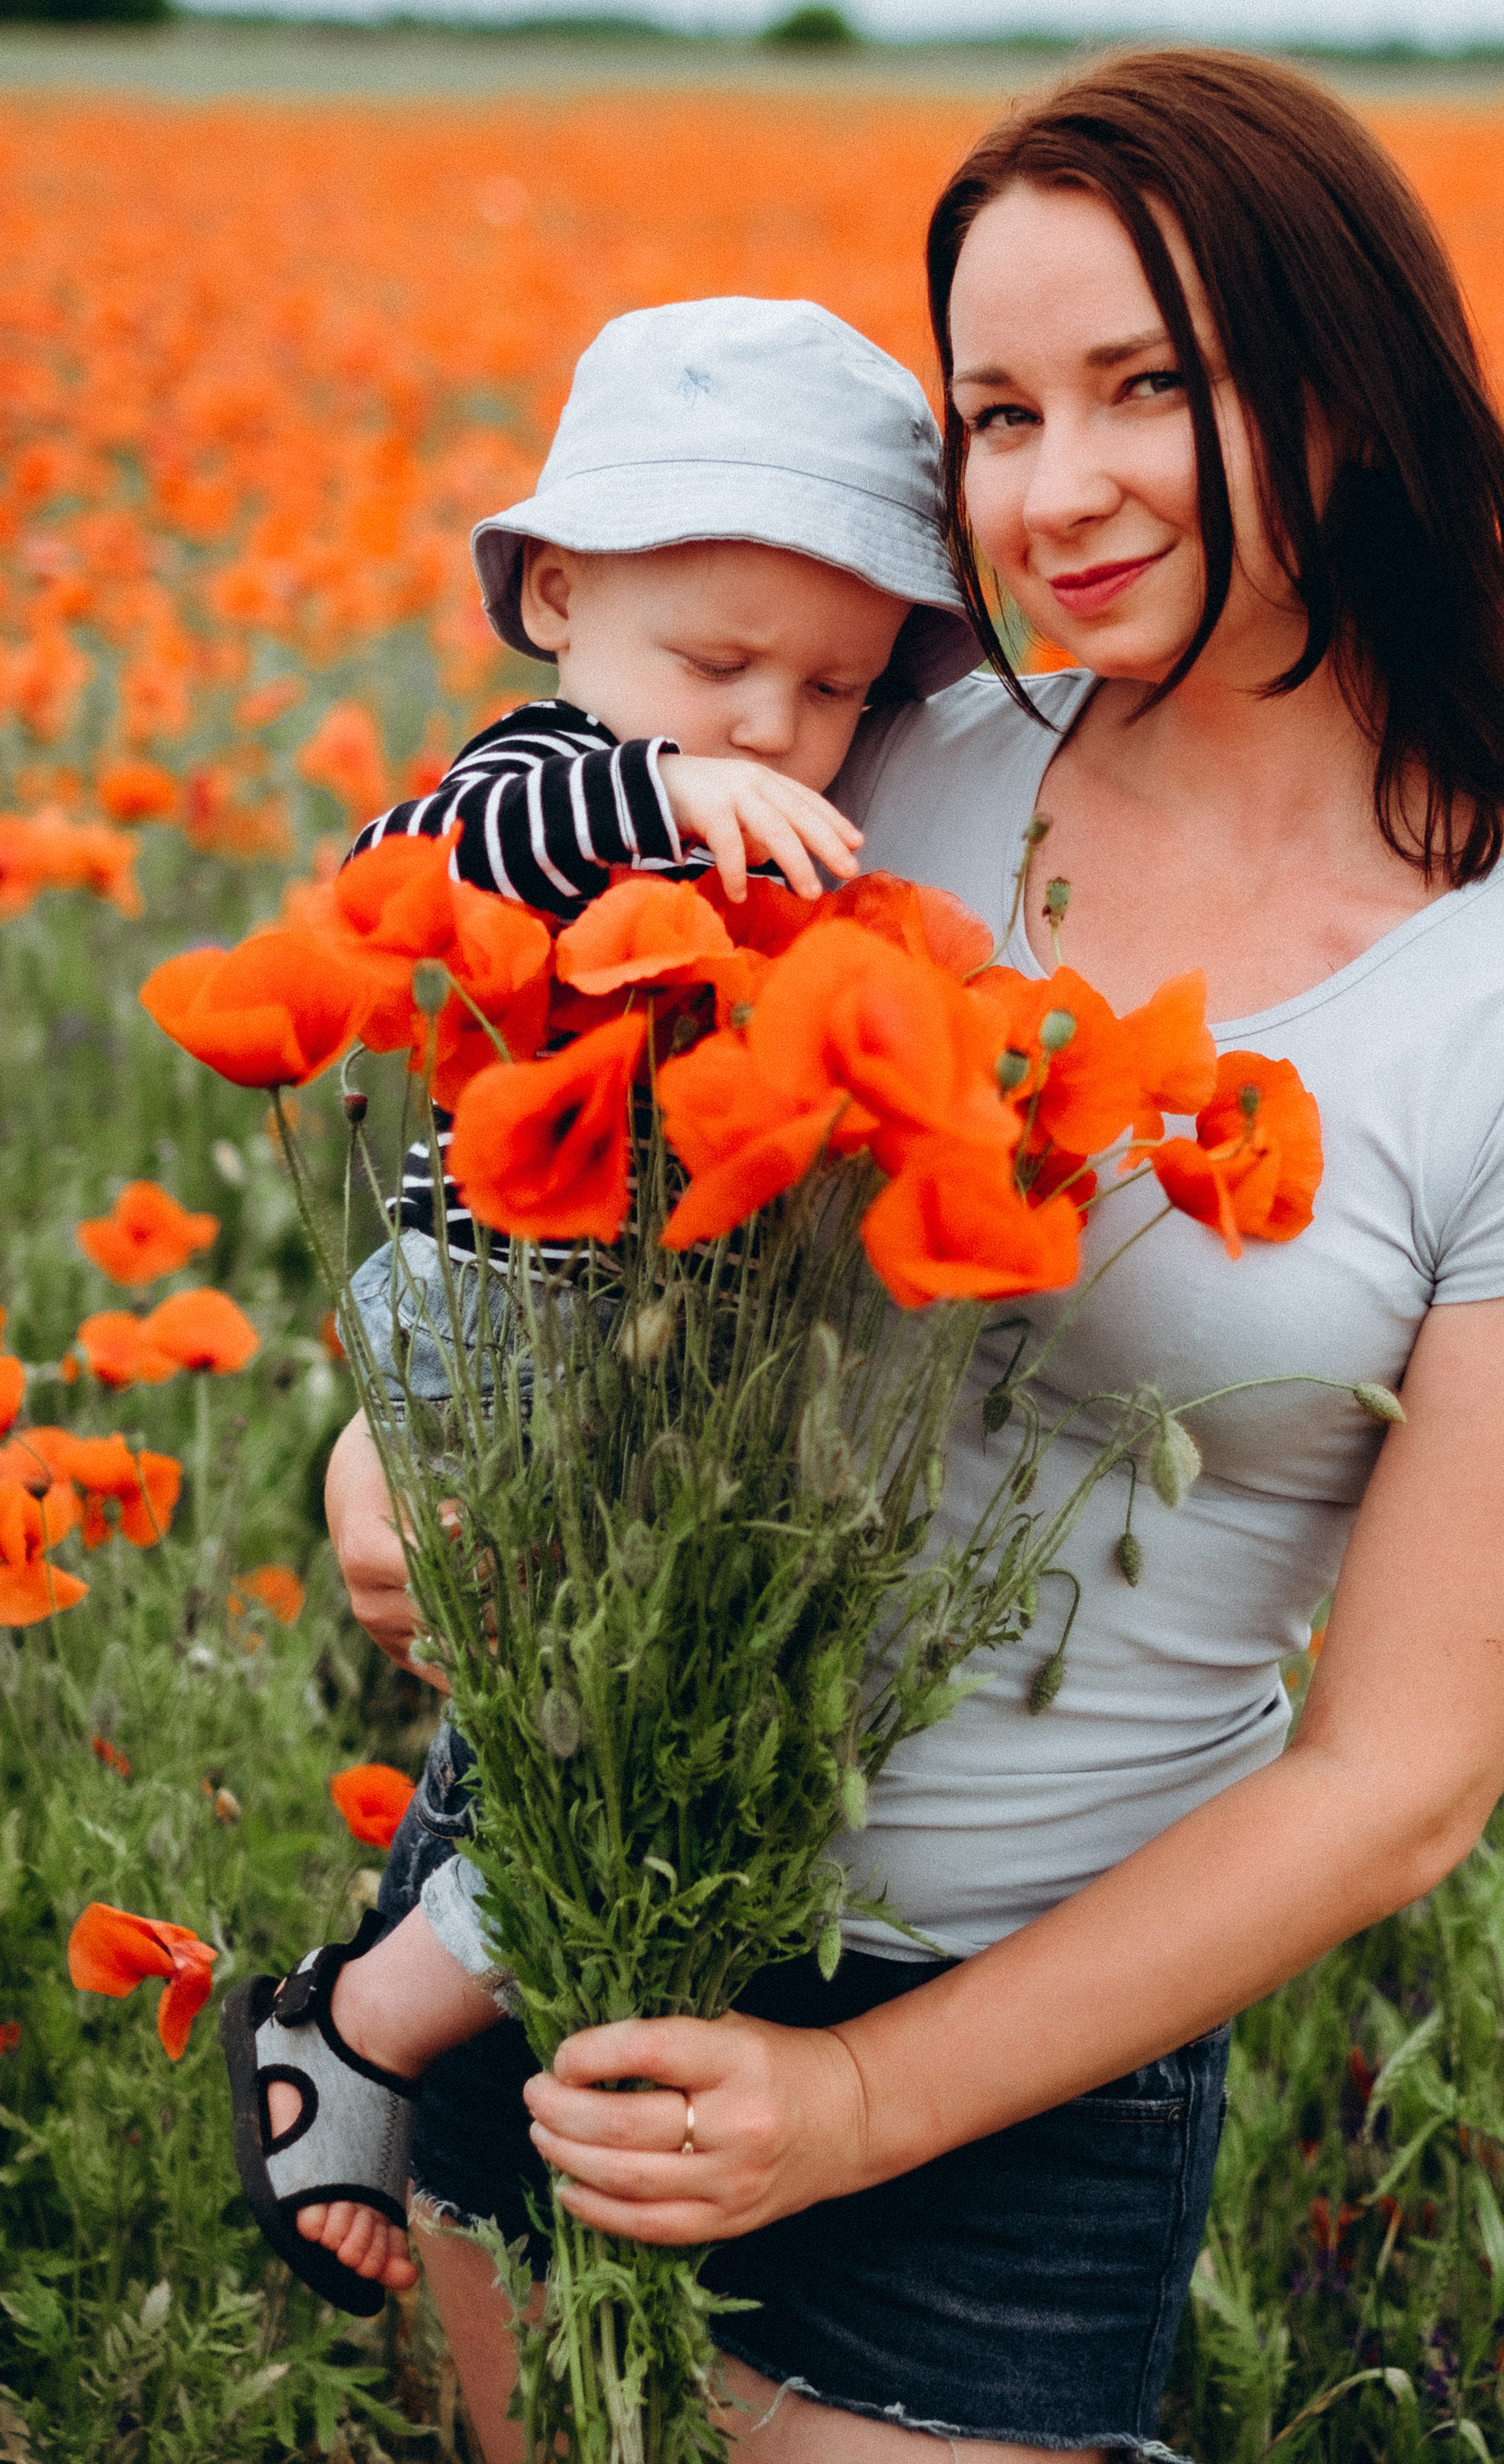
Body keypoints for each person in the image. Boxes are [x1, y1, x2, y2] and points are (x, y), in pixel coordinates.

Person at [325, 48, 1504, 2464]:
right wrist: (396, 1443)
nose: (1053, 493)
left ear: (1341, 385)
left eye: (1143, 389)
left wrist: (860, 2103)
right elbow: (556, 1106)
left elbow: (1399, 1782)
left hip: (999, 2079)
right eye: (991, 416)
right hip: (573, 1886)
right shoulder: (888, 756)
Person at [223, 296, 983, 2317]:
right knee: (575, 1733)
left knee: (640, 1739)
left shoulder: (781, 806)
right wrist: (658, 809)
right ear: (556, 595)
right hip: (488, 1320)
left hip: (652, 1370)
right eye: (715, 663)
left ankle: (403, 2029)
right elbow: (435, 841)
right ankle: (357, 2034)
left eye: (832, 688)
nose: (769, 727)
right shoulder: (548, 780)